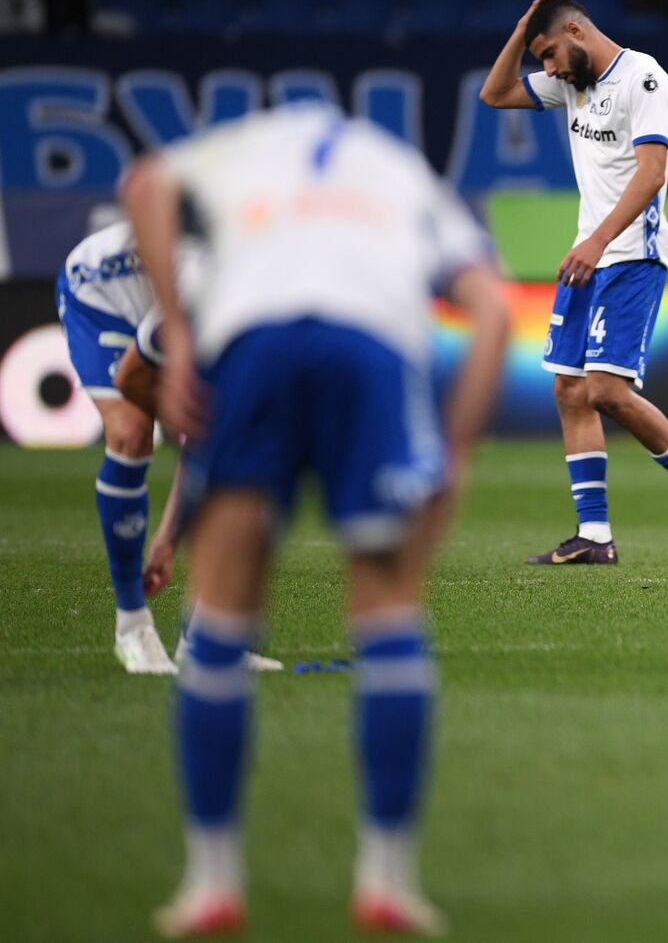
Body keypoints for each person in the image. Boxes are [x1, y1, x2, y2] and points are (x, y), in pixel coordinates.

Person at [122, 101, 510, 936]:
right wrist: (456, 453)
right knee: (389, 611)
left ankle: (211, 881)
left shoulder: (245, 146)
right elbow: (492, 310)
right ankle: (388, 880)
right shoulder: (402, 169)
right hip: (371, 350)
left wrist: (179, 334)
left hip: (255, 342)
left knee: (222, 614)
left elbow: (146, 183)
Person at [480, 0, 668, 565]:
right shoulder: (573, 82)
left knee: (605, 391)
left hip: (631, 253)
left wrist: (597, 241)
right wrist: (522, 29)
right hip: (589, 255)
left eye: (548, 54)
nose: (547, 69)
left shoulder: (644, 78)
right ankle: (594, 535)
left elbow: (651, 173)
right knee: (569, 389)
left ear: (575, 31)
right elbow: (494, 94)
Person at [55, 225, 280, 675]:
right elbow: (132, 380)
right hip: (101, 290)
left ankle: (203, 639)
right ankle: (132, 627)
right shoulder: (210, 290)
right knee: (132, 433)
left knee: (240, 440)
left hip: (164, 298)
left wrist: (168, 538)